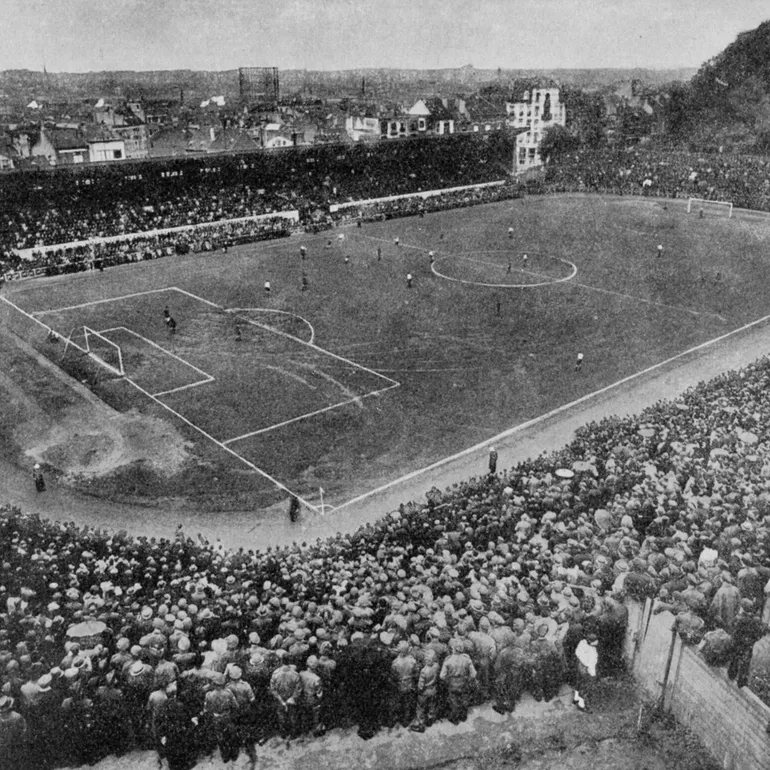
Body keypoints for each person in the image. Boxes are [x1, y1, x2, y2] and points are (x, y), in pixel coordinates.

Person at [439, 637, 477, 725]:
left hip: (452, 684)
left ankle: (454, 718)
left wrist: (448, 680)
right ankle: (463, 716)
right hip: (463, 683)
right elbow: (474, 674)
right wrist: (467, 679)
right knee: (464, 699)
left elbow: (442, 676)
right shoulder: (466, 658)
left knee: (454, 701)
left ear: (453, 648)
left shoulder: (448, 660)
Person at [574, 632, 599, 712]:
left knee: (579, 682)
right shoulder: (591, 651)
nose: (597, 642)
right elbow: (591, 665)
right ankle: (581, 705)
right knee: (586, 687)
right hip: (586, 670)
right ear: (590, 642)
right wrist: (593, 675)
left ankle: (575, 698)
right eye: (595, 641)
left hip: (580, 667)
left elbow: (578, 653)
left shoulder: (582, 644)